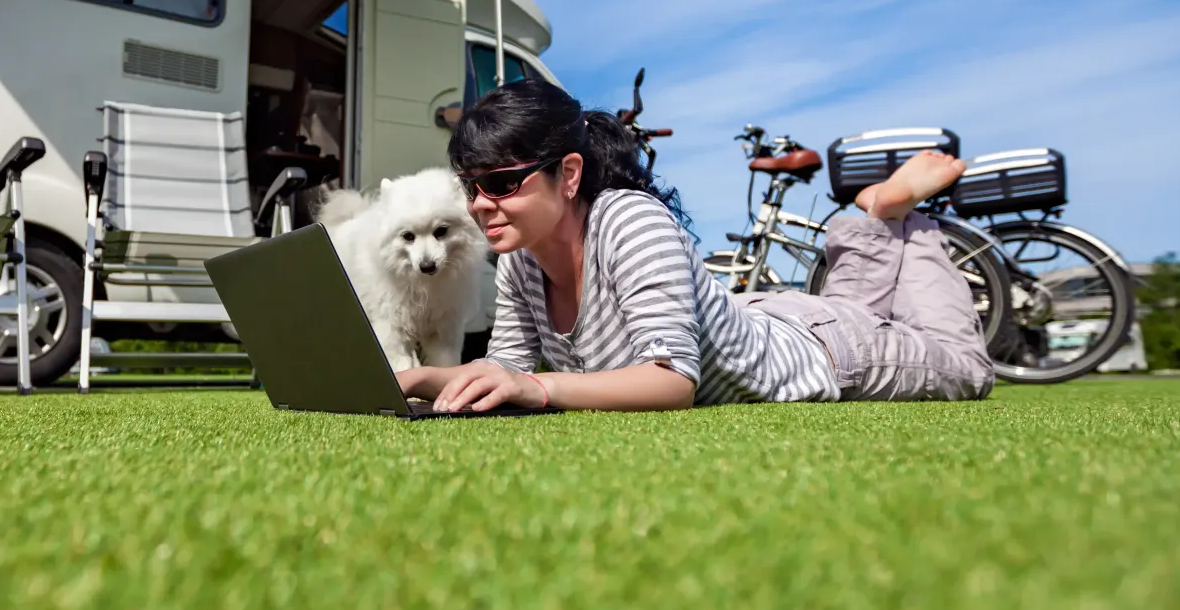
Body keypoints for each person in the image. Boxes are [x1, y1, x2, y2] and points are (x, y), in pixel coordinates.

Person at [397, 79, 994, 412]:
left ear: (569, 175)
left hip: (830, 355)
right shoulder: (520, 258)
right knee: (857, 297)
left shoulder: (629, 220)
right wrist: (418, 378)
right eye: (472, 187)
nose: (481, 204)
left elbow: (671, 379)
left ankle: (891, 211)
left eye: (503, 183)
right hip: (760, 319)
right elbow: (507, 366)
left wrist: (542, 387)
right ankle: (875, 215)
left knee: (967, 369)